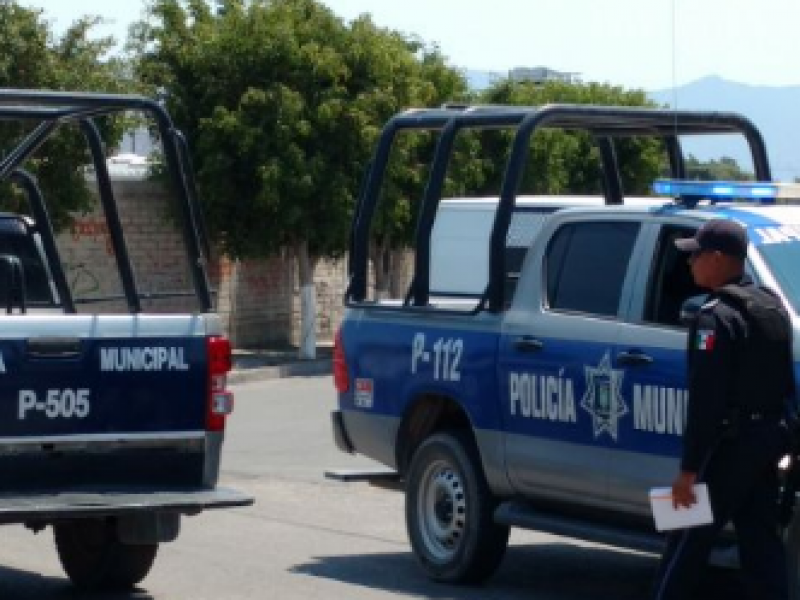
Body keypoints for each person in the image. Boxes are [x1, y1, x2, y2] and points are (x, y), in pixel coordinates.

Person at [653, 218, 794, 600]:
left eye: (695, 254)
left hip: (727, 448)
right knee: (760, 541)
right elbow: (784, 386)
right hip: (766, 441)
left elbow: (705, 401)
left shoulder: (714, 317)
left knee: (685, 539)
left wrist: (687, 471)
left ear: (717, 258)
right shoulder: (771, 307)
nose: (689, 263)